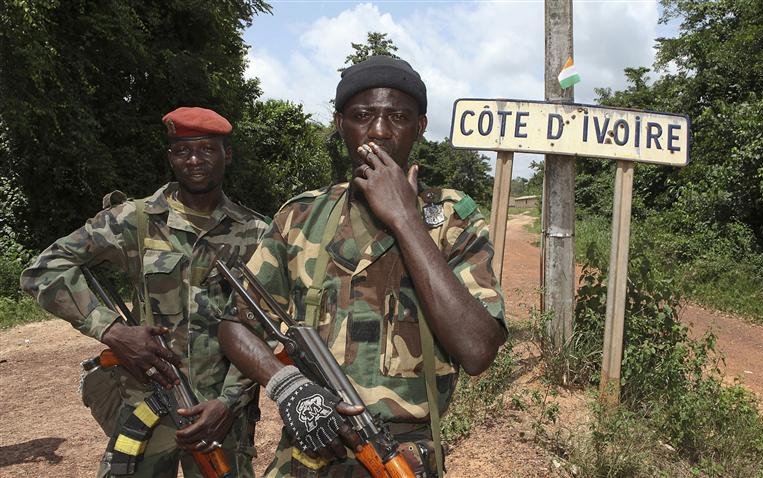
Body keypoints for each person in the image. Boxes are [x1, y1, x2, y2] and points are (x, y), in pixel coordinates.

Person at [219, 55, 507, 477]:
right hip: (308, 452)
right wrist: (286, 387)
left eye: (398, 117)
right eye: (362, 116)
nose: (378, 131)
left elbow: (478, 349)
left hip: (401, 459)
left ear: (420, 127)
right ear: (340, 124)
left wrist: (406, 219)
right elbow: (235, 324)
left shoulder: (452, 218)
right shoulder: (301, 217)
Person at [20, 107, 268, 477]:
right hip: (147, 402)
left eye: (207, 149)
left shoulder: (257, 233)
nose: (195, 160)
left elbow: (262, 327)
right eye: (183, 151)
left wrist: (229, 402)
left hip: (222, 415)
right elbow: (43, 269)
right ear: (171, 157)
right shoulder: (133, 220)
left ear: (226, 155)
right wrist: (111, 330)